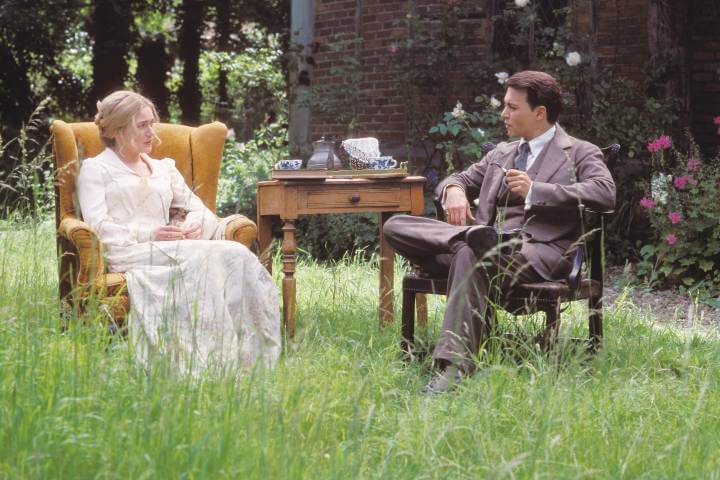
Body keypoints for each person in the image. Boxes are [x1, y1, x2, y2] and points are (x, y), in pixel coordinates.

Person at [384, 71, 616, 393]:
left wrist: (537, 190)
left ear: (540, 113)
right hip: (484, 247)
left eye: (512, 107)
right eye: (504, 106)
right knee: (395, 225)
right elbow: (460, 179)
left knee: (470, 251)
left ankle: (453, 370)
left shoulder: (579, 152)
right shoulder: (501, 154)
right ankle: (468, 237)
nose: (503, 114)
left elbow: (604, 193)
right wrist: (453, 189)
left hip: (537, 253)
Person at [77, 90, 281, 374]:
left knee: (235, 253)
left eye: (152, 123)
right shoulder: (95, 169)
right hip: (130, 251)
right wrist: (149, 233)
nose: (151, 132)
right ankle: (206, 361)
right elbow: (98, 225)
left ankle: (250, 356)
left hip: (171, 247)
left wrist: (194, 223)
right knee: (206, 259)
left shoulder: (163, 168)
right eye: (142, 125)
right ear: (117, 130)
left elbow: (198, 208)